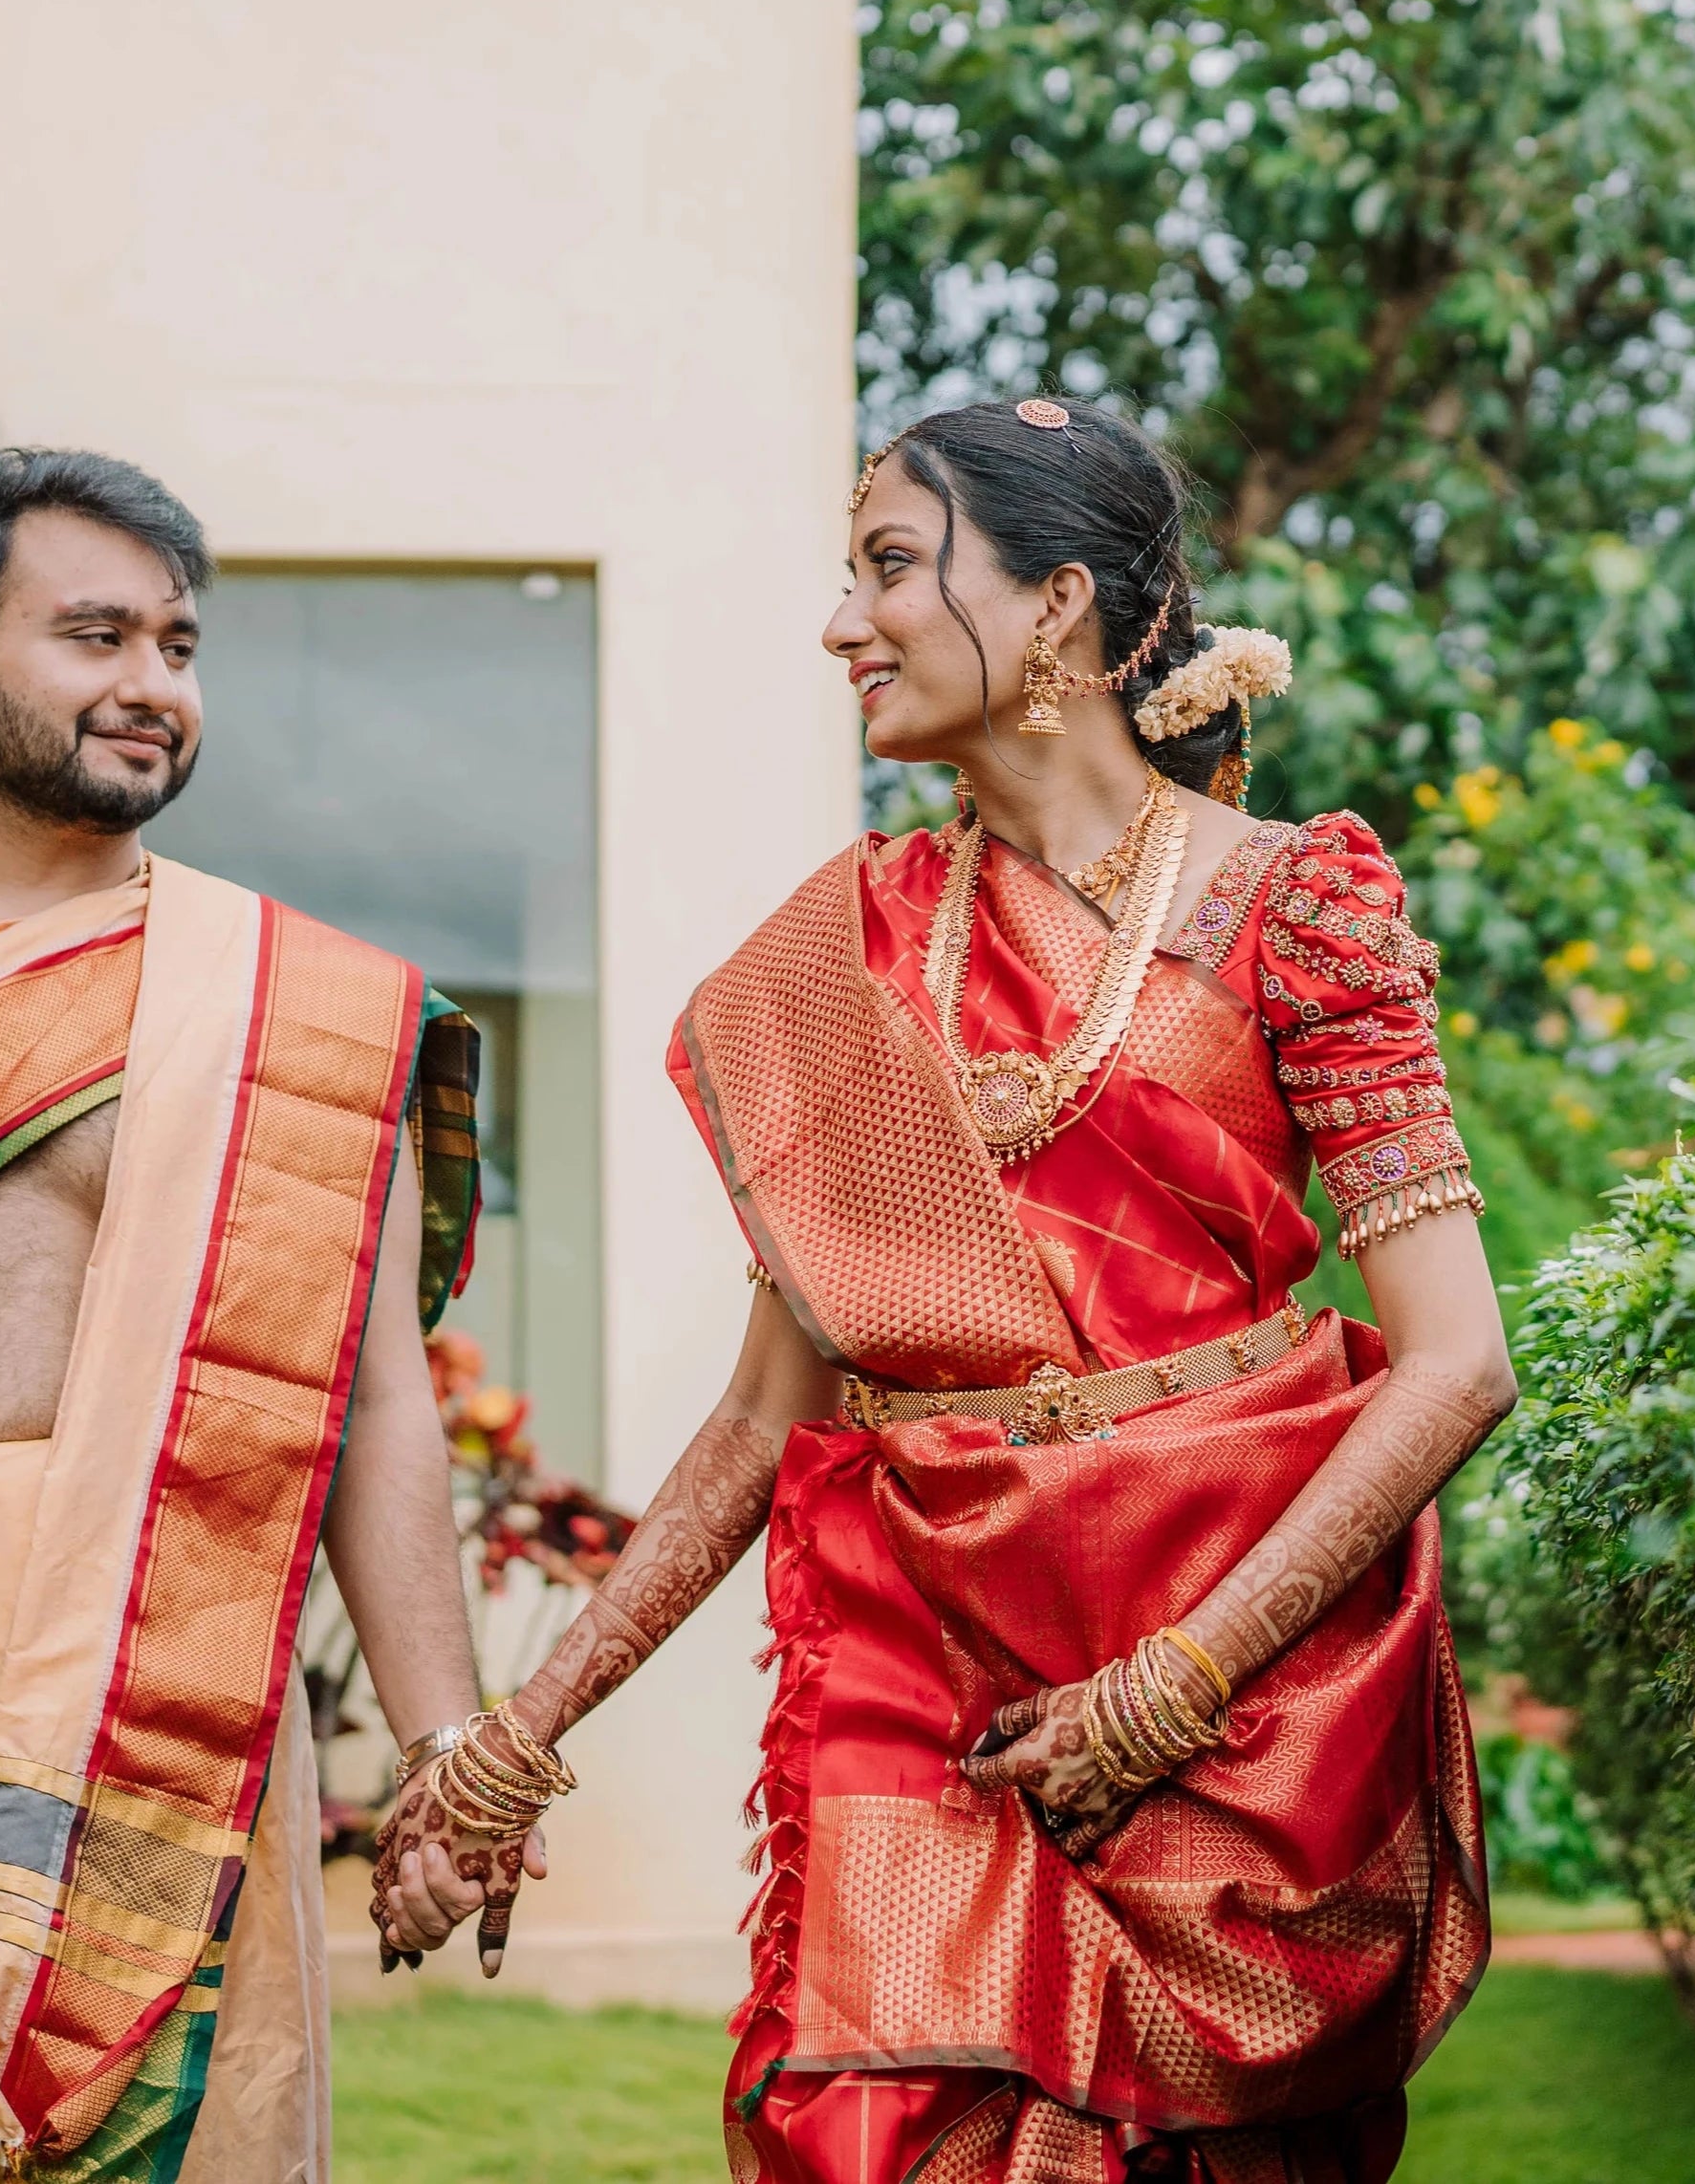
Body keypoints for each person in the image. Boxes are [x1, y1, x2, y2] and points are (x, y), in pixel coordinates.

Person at [380, 398, 1517, 2184]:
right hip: (924, 1674)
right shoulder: (841, 952)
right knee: (880, 2125)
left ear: (1054, 603)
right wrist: (514, 1747)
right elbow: (770, 1415)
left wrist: (1173, 1686)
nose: (844, 623)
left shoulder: (1298, 908)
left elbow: (1454, 1362)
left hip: (1232, 1684)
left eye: (891, 569)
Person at [0, 448, 487, 2184]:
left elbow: (373, 1403)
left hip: (147, 1677)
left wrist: (444, 1751)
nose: (151, 686)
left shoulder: (294, 1012)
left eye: (179, 645)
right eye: (94, 632)